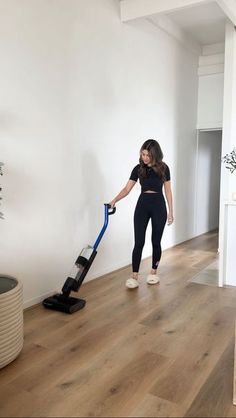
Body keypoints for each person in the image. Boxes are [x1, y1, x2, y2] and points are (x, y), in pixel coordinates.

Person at [109, 139, 174, 289]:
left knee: (155, 241)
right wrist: (114, 200)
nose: (145, 157)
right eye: (143, 154)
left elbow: (168, 191)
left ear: (155, 155)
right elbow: (126, 189)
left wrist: (171, 211)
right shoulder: (138, 169)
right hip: (142, 205)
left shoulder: (164, 168)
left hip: (159, 206)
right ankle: (134, 276)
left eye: (148, 155)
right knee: (139, 242)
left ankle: (153, 272)